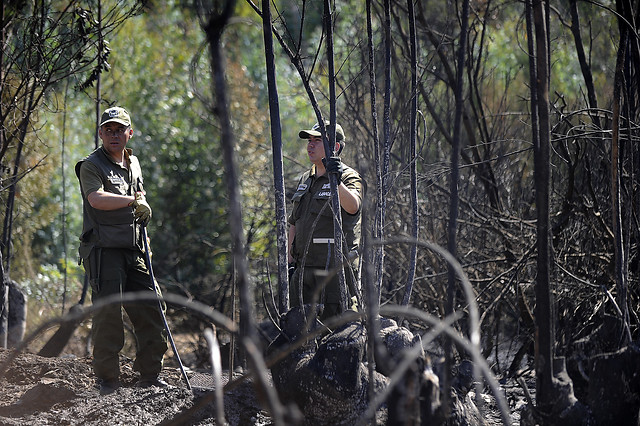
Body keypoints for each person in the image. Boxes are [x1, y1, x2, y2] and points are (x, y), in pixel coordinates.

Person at [76, 106, 168, 395]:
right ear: (101, 133)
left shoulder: (134, 163)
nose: (114, 135)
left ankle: (150, 375)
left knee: (153, 307)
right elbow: (96, 199)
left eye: (120, 129)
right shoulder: (91, 165)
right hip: (105, 251)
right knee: (108, 315)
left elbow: (139, 197)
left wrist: (141, 203)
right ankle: (107, 380)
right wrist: (132, 201)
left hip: (136, 249)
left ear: (130, 133)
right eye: (109, 130)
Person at [287, 120, 364, 320]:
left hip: (333, 273)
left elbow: (353, 206)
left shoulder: (348, 177)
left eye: (317, 140)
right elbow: (294, 221)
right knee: (300, 335)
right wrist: (290, 262)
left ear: (335, 147)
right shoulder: (306, 178)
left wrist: (335, 179)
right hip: (303, 271)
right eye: (309, 140)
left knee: (335, 332)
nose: (310, 145)